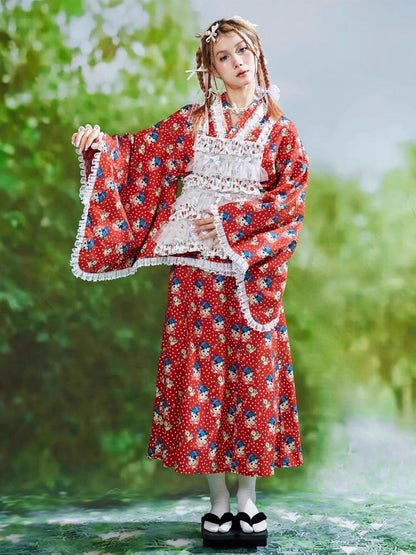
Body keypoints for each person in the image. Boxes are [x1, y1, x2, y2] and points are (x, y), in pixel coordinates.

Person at [71, 16, 309, 548]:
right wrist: (99, 148)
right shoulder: (192, 124)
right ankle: (218, 502)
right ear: (211, 67)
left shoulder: (281, 132)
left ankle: (248, 499)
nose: (237, 62)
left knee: (251, 380)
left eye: (243, 49)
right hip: (197, 277)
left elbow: (289, 207)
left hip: (250, 276)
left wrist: (230, 222)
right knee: (202, 378)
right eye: (224, 56)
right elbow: (140, 158)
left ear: (258, 53)